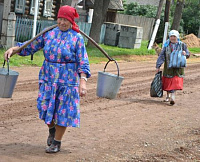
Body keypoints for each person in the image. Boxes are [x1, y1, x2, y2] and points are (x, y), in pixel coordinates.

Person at [4, 5, 91, 153]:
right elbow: (30, 46)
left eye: (66, 20)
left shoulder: (77, 38)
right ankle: (52, 130)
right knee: (43, 106)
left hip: (67, 80)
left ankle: (57, 142)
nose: (62, 22)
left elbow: (83, 61)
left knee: (63, 111)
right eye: (60, 19)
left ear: (71, 21)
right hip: (48, 78)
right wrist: (14, 50)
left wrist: (83, 81)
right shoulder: (49, 34)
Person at [156, 30, 190, 105]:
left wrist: (185, 53)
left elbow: (188, 54)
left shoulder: (182, 45)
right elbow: (162, 56)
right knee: (168, 82)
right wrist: (158, 66)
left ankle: (173, 97)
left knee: (175, 82)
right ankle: (167, 96)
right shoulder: (166, 45)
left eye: (174, 36)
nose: (172, 38)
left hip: (178, 68)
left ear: (177, 37)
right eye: (171, 36)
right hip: (168, 68)